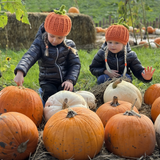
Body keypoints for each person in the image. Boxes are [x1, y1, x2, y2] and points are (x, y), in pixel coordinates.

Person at [14, 5, 81, 106]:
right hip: (47, 81)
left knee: (69, 97)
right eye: (52, 36)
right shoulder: (40, 43)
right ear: (47, 31)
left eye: (60, 38)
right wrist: (20, 71)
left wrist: (70, 80)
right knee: (51, 98)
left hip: (65, 80)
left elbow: (75, 64)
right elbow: (29, 56)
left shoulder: (70, 45)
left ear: (65, 35)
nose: (55, 40)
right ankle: (43, 96)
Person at [89, 22, 155, 85]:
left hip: (122, 78)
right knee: (101, 79)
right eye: (110, 42)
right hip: (107, 77)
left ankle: (123, 94)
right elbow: (93, 68)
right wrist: (105, 71)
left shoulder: (130, 55)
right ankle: (105, 93)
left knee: (127, 78)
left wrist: (145, 77)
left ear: (124, 44)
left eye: (117, 43)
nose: (112, 45)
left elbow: (138, 70)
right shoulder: (102, 53)